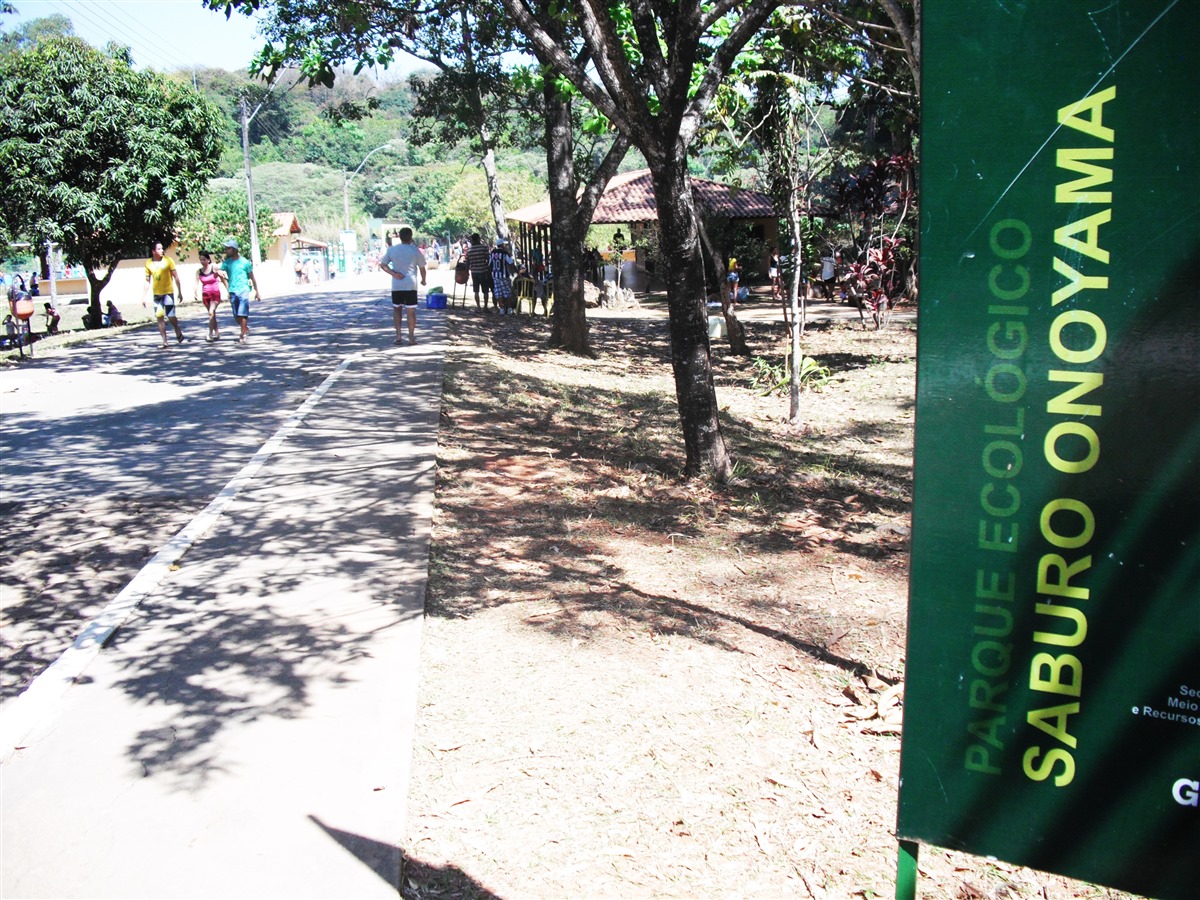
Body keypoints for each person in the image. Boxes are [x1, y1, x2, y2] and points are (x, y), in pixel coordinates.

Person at [379, 226, 426, 345]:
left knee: (397, 309)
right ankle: (411, 337)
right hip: (411, 284)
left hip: (397, 284)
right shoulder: (415, 250)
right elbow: (422, 268)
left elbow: (383, 265)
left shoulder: (392, 250)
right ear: (411, 237)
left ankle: (398, 335)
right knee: (411, 311)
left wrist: (393, 273)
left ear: (399, 237)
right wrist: (423, 280)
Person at [141, 241, 186, 348]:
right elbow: (147, 281)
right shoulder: (148, 263)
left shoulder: (168, 261)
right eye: (159, 249)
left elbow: (176, 277)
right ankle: (164, 341)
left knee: (171, 316)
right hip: (157, 294)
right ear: (153, 251)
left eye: (162, 248)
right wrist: (143, 296)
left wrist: (180, 292)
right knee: (159, 316)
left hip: (168, 293)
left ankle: (177, 330)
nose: (162, 251)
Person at [219, 238, 260, 344]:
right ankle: (244, 327)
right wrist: (221, 276)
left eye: (228, 248)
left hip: (243, 290)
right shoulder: (227, 263)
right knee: (236, 315)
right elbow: (220, 272)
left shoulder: (245, 262)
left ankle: (242, 334)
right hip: (233, 290)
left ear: (234, 249)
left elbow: (252, 277)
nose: (226, 250)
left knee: (243, 313)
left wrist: (257, 291)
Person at [195, 250, 226, 342]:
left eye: (204, 259)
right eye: (201, 260)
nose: (202, 262)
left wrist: (228, 289)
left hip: (215, 293)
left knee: (211, 312)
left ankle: (210, 334)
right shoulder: (199, 271)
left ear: (208, 260)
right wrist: (195, 292)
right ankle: (217, 333)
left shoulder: (214, 267)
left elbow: (222, 278)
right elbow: (196, 282)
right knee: (212, 314)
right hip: (205, 295)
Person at [466, 233, 492, 310]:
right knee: (485, 291)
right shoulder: (484, 248)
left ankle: (478, 307)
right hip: (484, 271)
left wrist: (467, 271)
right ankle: (485, 307)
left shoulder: (469, 250)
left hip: (474, 272)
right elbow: (488, 258)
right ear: (478, 239)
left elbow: (468, 262)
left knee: (476, 291)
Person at [490, 241, 515, 314]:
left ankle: (502, 310)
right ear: (502, 245)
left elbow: (489, 264)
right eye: (504, 244)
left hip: (495, 276)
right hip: (504, 276)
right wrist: (516, 271)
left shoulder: (493, 253)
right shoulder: (504, 253)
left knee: (498, 293)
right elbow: (511, 263)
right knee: (508, 293)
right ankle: (509, 310)